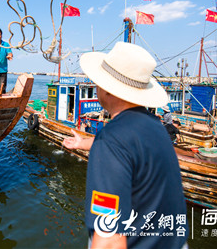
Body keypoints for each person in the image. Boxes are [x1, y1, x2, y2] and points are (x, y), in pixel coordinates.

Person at [63, 42, 188, 249]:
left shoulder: (111, 141)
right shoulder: (155, 127)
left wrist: (102, 144)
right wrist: (81, 143)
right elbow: (128, 149)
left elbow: (110, 238)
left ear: (107, 89)